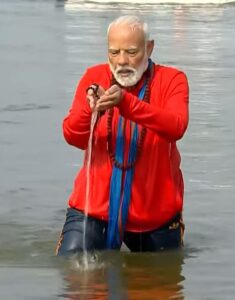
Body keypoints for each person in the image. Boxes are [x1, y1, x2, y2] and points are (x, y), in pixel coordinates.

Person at [56, 15, 189, 256]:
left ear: (149, 48)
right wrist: (90, 109)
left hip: (154, 213)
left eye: (131, 51)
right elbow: (72, 136)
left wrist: (126, 103)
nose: (122, 61)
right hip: (94, 209)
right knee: (74, 275)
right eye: (114, 52)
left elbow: (176, 126)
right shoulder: (92, 78)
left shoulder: (172, 79)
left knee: (159, 287)